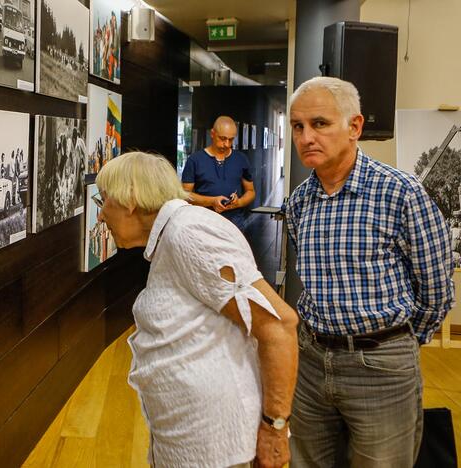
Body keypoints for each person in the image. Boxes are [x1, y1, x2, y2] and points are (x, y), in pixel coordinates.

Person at [285, 76, 455, 467]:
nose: (306, 136)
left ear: (355, 127)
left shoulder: (401, 193)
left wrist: (397, 344)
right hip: (311, 362)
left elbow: (436, 289)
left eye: (320, 123)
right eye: (298, 126)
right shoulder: (299, 202)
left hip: (381, 367)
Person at [96, 151, 298, 468]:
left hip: (213, 448)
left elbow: (278, 326)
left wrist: (275, 427)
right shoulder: (177, 233)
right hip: (194, 442)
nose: (101, 215)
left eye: (103, 200)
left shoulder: (190, 234)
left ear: (130, 198)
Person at [181, 117, 255, 230]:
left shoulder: (241, 159)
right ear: (212, 133)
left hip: (235, 224)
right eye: (223, 138)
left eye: (231, 140)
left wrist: (238, 202)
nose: (227, 144)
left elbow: (250, 191)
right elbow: (185, 195)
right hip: (204, 222)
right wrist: (212, 201)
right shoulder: (195, 160)